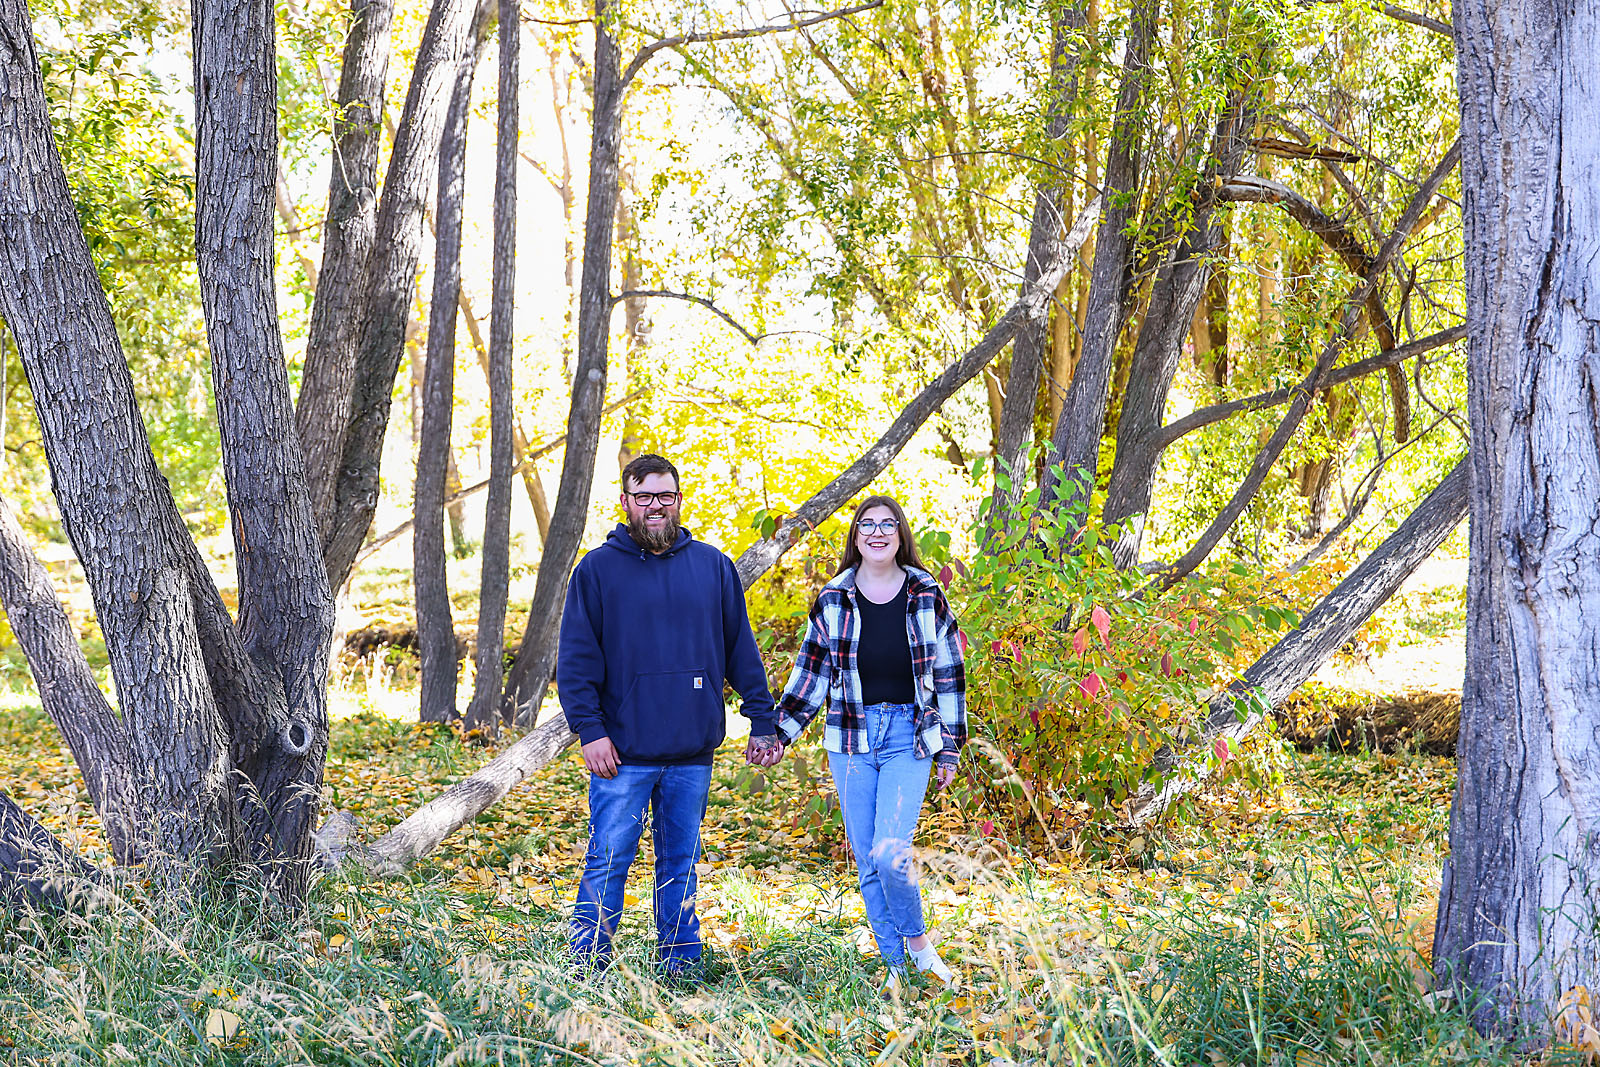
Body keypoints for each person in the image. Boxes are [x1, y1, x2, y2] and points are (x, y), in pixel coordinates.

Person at [557, 454, 784, 975]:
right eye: (644, 497)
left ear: (679, 500)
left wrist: (762, 718)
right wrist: (589, 732)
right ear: (625, 503)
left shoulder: (712, 566)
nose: (655, 506)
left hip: (691, 751)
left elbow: (740, 650)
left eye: (665, 496)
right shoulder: (596, 570)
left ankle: (680, 964)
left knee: (679, 863)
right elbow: (574, 662)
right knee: (608, 863)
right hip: (622, 754)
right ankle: (585, 966)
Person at [772, 494, 967, 990]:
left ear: (901, 534)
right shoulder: (833, 598)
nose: (877, 532)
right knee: (867, 859)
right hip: (851, 737)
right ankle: (894, 968)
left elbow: (948, 673)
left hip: (909, 734)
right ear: (855, 536)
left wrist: (950, 743)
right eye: (867, 524)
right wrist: (779, 734)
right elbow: (810, 677)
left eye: (887, 524)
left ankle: (919, 947)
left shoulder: (925, 592)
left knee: (888, 851)